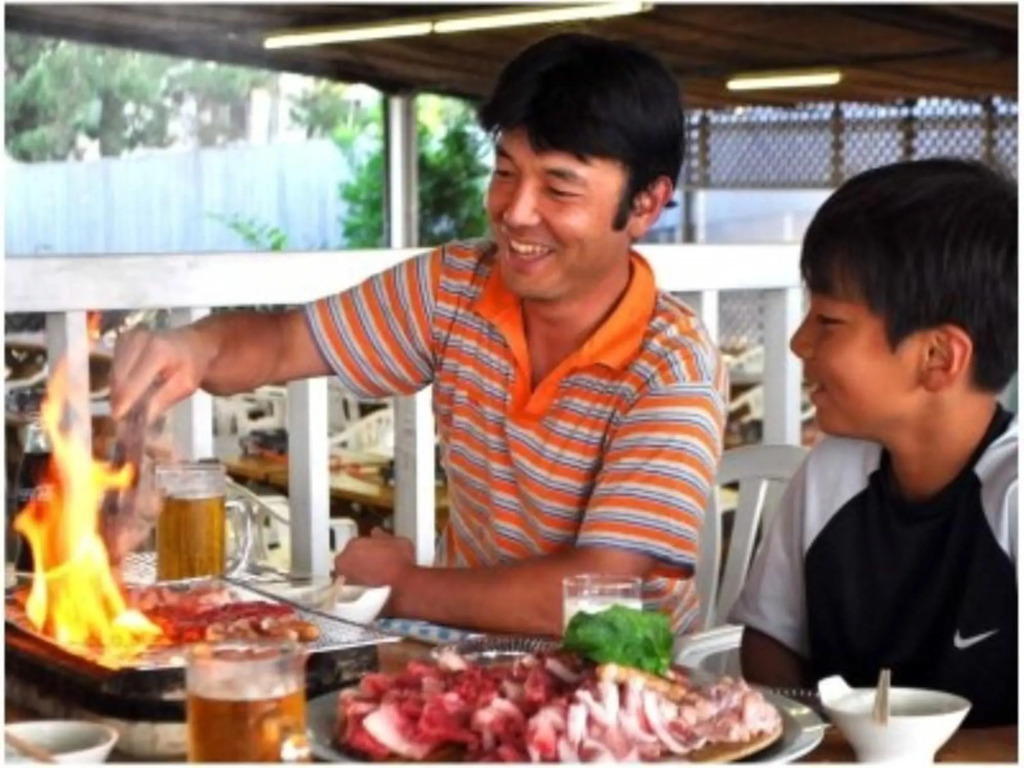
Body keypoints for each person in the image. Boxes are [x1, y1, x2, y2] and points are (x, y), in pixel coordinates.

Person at [110, 33, 728, 637]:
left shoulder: (673, 367)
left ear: (645, 204)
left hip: (618, 678)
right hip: (459, 647)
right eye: (505, 172)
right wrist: (194, 348)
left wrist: (402, 586)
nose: (515, 212)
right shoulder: (456, 285)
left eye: (559, 187)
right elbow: (281, 342)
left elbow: (593, 598)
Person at [730, 158, 1017, 726]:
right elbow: (770, 640)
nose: (798, 341)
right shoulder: (832, 471)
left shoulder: (1012, 497)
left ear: (937, 357)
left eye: (828, 321)